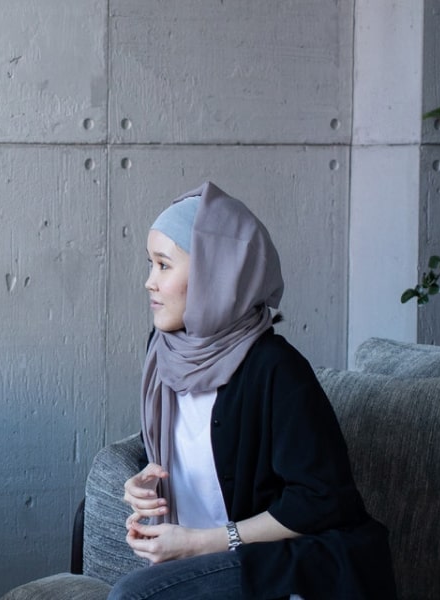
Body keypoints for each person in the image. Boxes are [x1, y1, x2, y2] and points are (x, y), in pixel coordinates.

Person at [111, 183, 396, 599]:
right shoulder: (163, 353)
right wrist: (140, 484)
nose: (149, 282)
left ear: (215, 274)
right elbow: (189, 446)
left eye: (163, 265)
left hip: (277, 564)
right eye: (150, 264)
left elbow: (323, 499)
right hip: (208, 559)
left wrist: (202, 541)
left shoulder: (274, 368)